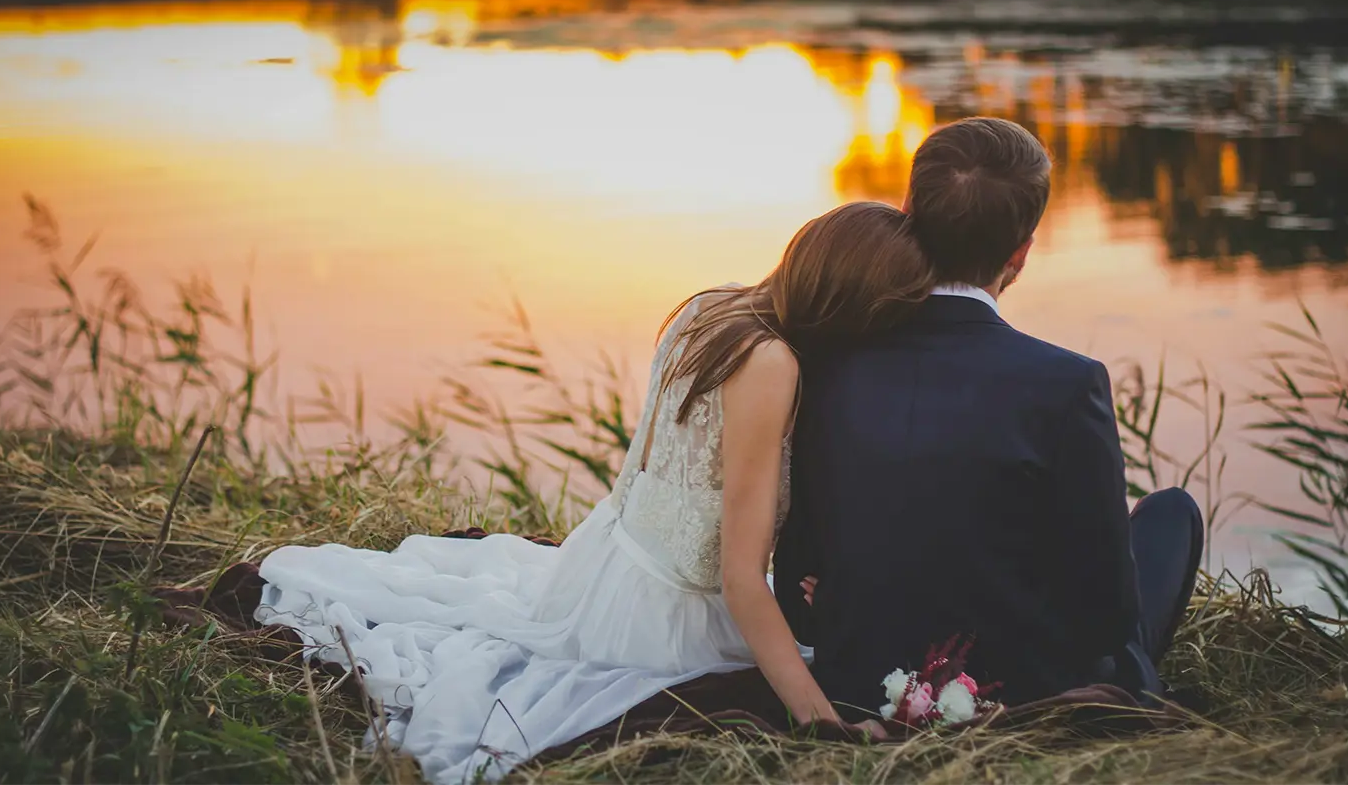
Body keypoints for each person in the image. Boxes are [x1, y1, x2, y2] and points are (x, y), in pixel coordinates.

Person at [253, 202, 927, 783]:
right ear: (854, 307)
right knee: (802, 673)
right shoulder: (771, 364)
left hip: (604, 562)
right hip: (662, 621)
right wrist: (820, 724)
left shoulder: (716, 305)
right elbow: (740, 579)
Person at [774, 117, 1206, 719]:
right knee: (1172, 514)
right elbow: (1106, 619)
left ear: (908, 215)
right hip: (1018, 684)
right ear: (1021, 251)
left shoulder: (824, 365)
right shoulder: (1068, 384)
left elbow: (795, 588)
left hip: (860, 678)